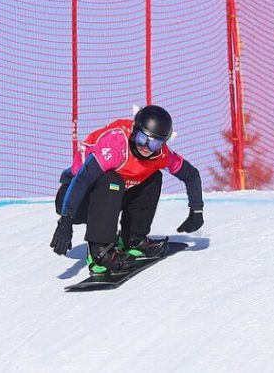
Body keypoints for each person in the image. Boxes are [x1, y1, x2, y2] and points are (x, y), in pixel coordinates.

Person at [49, 105, 204, 275]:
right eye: (141, 138)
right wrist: (65, 223)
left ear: (163, 143)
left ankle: (133, 239)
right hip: (75, 198)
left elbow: (191, 175)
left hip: (113, 198)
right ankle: (99, 253)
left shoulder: (162, 155)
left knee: (153, 177)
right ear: (134, 131)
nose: (145, 146)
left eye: (154, 143)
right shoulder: (116, 145)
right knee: (112, 180)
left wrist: (196, 210)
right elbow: (81, 181)